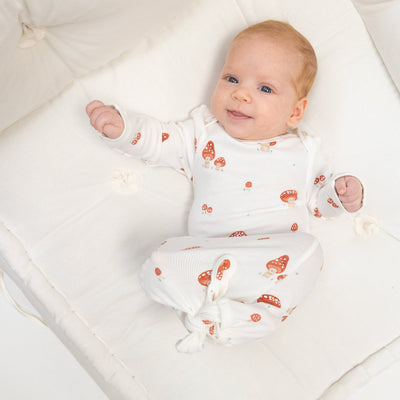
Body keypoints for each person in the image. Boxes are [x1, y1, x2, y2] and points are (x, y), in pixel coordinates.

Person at [86, 20, 363, 353]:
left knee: (310, 251)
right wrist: (123, 129)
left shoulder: (303, 151)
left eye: (265, 89)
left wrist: (341, 194)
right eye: (232, 79)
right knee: (159, 263)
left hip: (266, 266)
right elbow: (159, 141)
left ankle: (242, 319)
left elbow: (320, 202)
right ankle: (203, 305)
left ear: (296, 111)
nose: (241, 93)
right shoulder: (204, 133)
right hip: (209, 257)